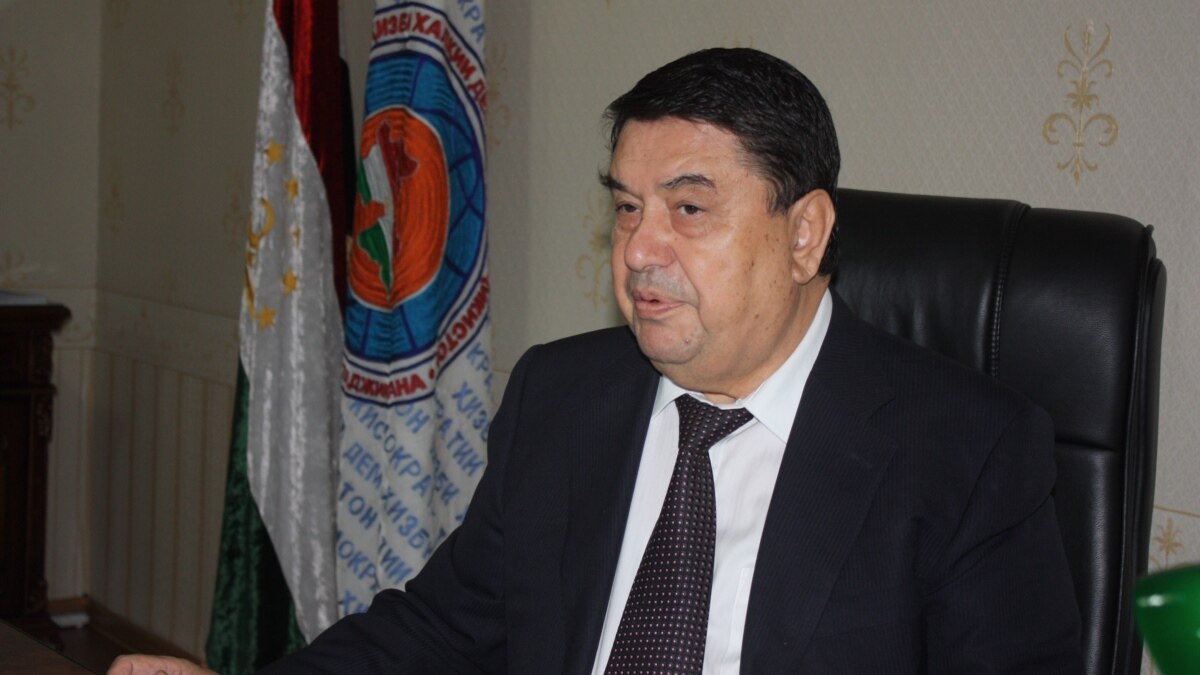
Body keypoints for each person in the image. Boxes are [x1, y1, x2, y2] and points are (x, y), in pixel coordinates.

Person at [112, 47, 1084, 674]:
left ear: (804, 235)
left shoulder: (967, 451)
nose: (639, 249)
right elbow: (443, 631)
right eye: (626, 207)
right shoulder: (563, 395)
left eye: (689, 208)